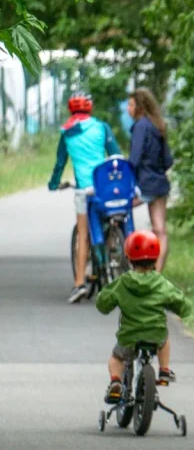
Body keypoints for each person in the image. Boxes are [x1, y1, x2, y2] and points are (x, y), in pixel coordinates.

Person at [96, 230, 191, 404]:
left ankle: (115, 382)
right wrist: (181, 309)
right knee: (165, 338)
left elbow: (103, 303)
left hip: (129, 336)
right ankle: (164, 370)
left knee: (117, 357)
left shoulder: (123, 282)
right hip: (155, 335)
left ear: (129, 258)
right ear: (156, 259)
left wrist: (105, 301)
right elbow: (182, 304)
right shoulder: (161, 282)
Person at [48, 93, 120, 303]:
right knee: (113, 216)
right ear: (90, 109)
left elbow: (60, 163)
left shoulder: (67, 132)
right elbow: (115, 154)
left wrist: (54, 184)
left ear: (71, 110)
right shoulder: (101, 127)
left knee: (83, 234)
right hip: (104, 186)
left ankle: (79, 282)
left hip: (84, 190)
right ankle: (115, 247)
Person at [128, 88, 173, 271]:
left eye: (131, 105)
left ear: (139, 107)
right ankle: (158, 272)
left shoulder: (140, 126)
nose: (128, 109)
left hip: (144, 185)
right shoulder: (158, 126)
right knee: (160, 230)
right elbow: (168, 160)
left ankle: (123, 252)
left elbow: (134, 159)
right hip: (160, 185)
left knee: (118, 210)